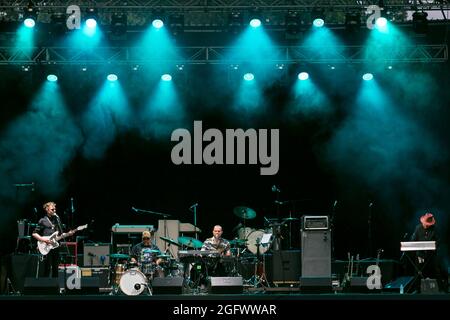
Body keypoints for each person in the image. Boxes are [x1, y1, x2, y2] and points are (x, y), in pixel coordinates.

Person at [32, 202, 74, 278]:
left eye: (55, 209)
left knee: (55, 268)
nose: (54, 211)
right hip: (46, 246)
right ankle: (45, 287)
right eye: (52, 209)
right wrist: (44, 240)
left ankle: (55, 287)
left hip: (55, 246)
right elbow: (34, 234)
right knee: (47, 268)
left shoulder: (57, 220)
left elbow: (60, 233)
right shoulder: (42, 220)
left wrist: (68, 234)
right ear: (47, 210)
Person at [409, 212, 447, 292]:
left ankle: (442, 289)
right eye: (426, 224)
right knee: (418, 272)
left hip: (431, 255)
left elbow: (439, 240)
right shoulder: (418, 228)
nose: (427, 225)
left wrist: (434, 246)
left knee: (436, 271)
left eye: (428, 224)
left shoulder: (434, 229)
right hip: (420, 255)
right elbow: (413, 240)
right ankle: (417, 289)